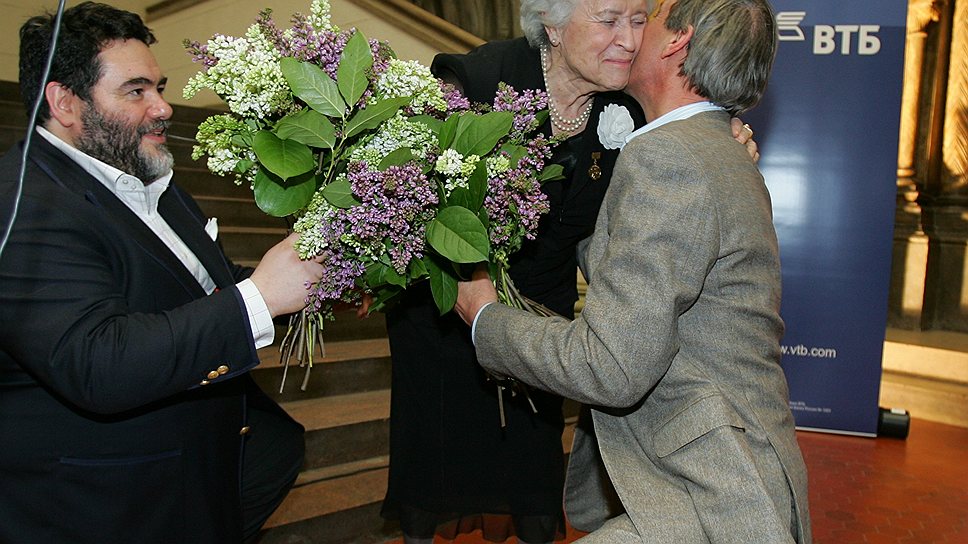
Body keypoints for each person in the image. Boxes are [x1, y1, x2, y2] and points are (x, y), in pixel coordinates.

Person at [377, 1, 756, 543]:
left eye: (637, 20)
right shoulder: (477, 83)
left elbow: (681, 160)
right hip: (446, 315)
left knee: (533, 482)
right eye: (608, 20)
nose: (628, 40)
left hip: (543, 326)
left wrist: (725, 141)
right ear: (552, 26)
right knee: (432, 476)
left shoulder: (628, 107)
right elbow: (404, 193)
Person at [454, 0, 812, 542]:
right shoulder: (716, 150)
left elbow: (610, 368)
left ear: (677, 42)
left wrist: (485, 317)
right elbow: (640, 265)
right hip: (735, 479)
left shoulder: (671, 158)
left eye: (649, 17)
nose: (631, 33)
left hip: (710, 498)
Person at [0, 3, 325, 543]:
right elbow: (98, 361)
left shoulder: (148, 177)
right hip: (107, 507)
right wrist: (263, 298)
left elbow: (202, 286)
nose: (163, 107)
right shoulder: (23, 202)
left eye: (159, 86)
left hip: (197, 478)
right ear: (64, 102)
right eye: (136, 91)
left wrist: (313, 292)